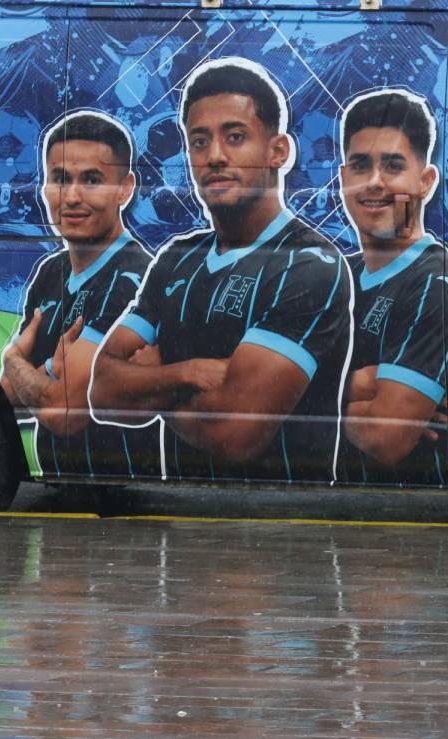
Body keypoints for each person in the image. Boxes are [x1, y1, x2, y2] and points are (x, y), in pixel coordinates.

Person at [90, 59, 352, 483]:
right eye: (199, 141)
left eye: (235, 137)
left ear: (278, 151)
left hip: (287, 527)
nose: (214, 156)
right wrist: (185, 374)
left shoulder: (306, 264)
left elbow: (234, 433)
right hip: (178, 526)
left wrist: (148, 385)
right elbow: (100, 392)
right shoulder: (178, 257)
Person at [336, 90, 448, 488]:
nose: (374, 182)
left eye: (392, 165)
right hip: (343, 523)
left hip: (418, 526)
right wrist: (357, 388)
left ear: (425, 182)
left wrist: (300, 397)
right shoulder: (334, 279)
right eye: (360, 165)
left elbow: (385, 438)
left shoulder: (439, 285)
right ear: (342, 180)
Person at [1, 110, 160, 479]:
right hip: (61, 488)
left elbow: (63, 412)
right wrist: (40, 371)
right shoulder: (50, 273)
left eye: (91, 180)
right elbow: (5, 396)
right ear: (43, 187)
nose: (72, 196)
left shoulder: (134, 278)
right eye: (60, 178)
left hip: (120, 493)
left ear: (126, 187)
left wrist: (16, 361)